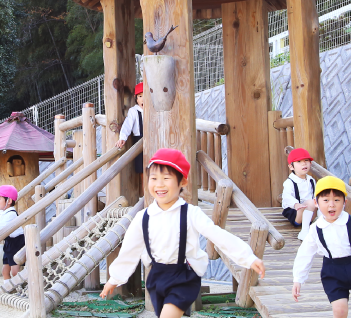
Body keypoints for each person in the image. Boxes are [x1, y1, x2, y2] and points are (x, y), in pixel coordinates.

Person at [101, 148, 266, 318]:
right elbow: (129, 250)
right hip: (156, 278)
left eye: (166, 178)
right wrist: (115, 279)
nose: (159, 184)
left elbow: (217, 235)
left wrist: (248, 257)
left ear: (183, 182)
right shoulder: (143, 217)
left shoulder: (191, 214)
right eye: (154, 178)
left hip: (184, 276)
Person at [292, 176, 351, 318]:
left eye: (336, 200)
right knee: (339, 311)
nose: (331, 205)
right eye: (326, 200)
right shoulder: (315, 228)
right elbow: (305, 253)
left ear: (344, 202)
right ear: (316, 202)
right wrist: (298, 279)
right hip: (332, 270)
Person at [115, 82, 146, 195]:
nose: (143, 99)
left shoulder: (153, 110)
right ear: (136, 98)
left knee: (154, 169)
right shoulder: (134, 111)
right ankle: (144, 196)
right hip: (139, 141)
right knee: (142, 171)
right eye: (140, 96)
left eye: (145, 95)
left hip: (153, 141)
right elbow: (127, 125)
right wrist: (122, 138)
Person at [282, 148, 318, 240]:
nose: (304, 164)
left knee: (320, 201)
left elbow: (315, 194)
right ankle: (304, 231)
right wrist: (296, 204)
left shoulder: (311, 180)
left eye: (306, 160)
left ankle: (322, 224)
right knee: (311, 203)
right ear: (291, 167)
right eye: (299, 161)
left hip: (310, 212)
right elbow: (286, 197)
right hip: (295, 212)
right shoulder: (289, 182)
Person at [0, 185, 25, 282]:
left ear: (9, 201)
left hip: (16, 242)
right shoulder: (1, 213)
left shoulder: (11, 213)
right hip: (8, 242)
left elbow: (0, 227)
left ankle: (19, 286)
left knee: (15, 271)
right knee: (5, 271)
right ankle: (8, 287)